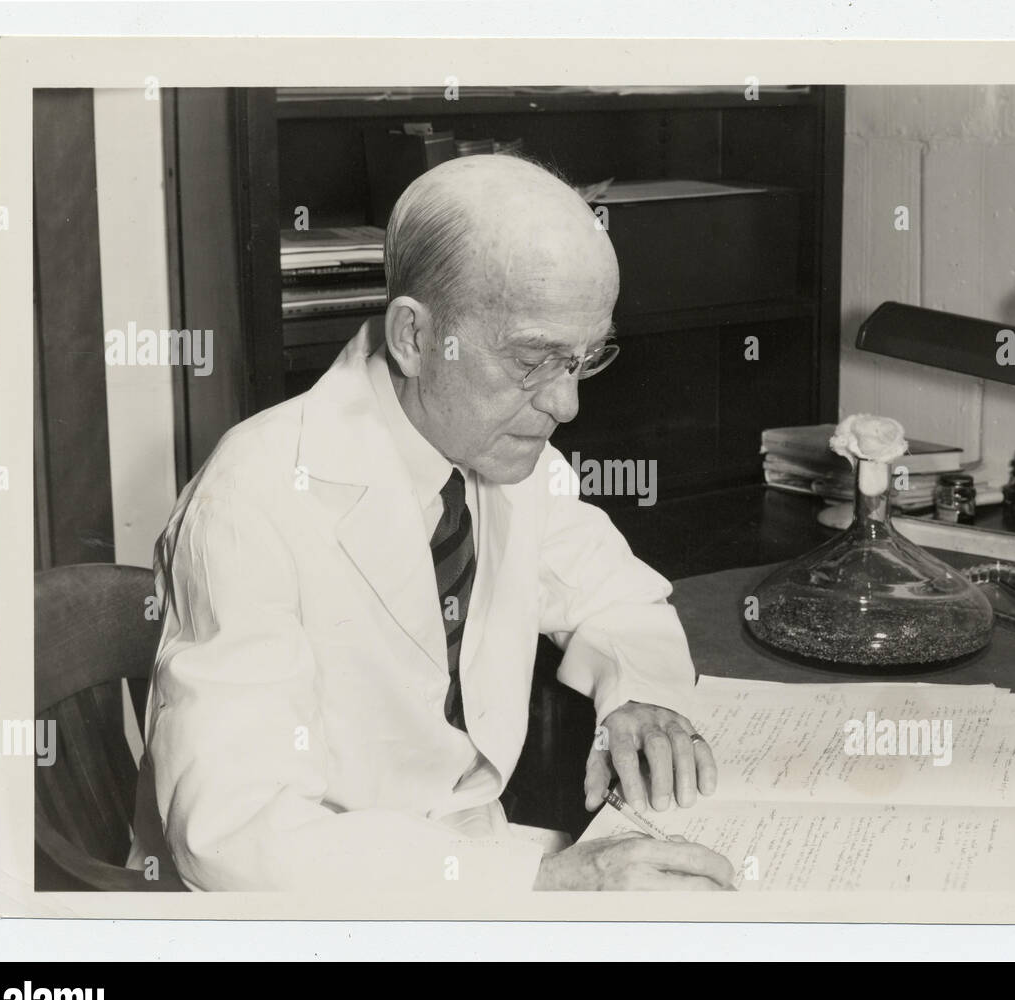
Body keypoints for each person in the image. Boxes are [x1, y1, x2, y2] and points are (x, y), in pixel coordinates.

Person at [128, 154, 736, 893]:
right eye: (534, 360)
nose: (567, 405)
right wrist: (537, 884)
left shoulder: (500, 448)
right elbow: (233, 835)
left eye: (585, 358)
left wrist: (638, 696)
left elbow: (613, 594)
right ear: (415, 337)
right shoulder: (252, 500)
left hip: (469, 862)